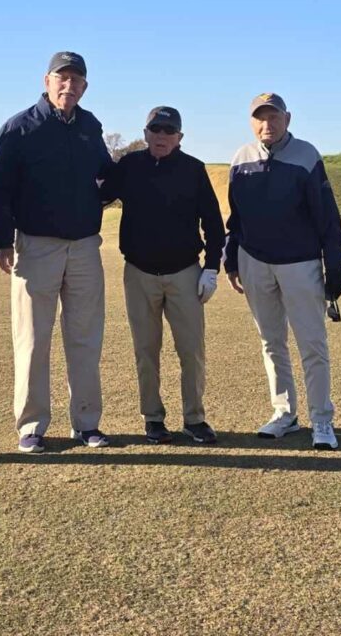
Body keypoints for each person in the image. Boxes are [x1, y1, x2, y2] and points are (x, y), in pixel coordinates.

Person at [0, 51, 114, 453]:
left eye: (76, 79)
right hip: (36, 245)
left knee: (86, 338)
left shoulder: (90, 126)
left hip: (84, 247)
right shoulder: (21, 127)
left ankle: (87, 423)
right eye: (62, 78)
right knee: (33, 339)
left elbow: (105, 176)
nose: (68, 85)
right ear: (46, 81)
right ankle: (32, 425)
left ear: (85, 86)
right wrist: (2, 240)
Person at [224, 92, 341, 450]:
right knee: (271, 341)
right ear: (252, 122)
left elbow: (326, 215)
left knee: (312, 344)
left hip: (300, 263)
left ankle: (321, 419)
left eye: (274, 117)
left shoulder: (307, 156)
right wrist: (231, 259)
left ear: (287, 119)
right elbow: (236, 217)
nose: (267, 124)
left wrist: (334, 261)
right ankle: (284, 413)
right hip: (254, 262)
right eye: (260, 118)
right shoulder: (241, 159)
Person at [101, 106, 225, 444]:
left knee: (191, 351)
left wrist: (211, 268)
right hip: (139, 273)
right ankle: (153, 418)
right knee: (146, 350)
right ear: (145, 134)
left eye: (169, 131)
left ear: (179, 138)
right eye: (156, 129)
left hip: (185, 273)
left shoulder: (193, 170)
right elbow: (98, 195)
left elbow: (214, 225)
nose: (162, 136)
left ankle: (194, 419)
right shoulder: (130, 166)